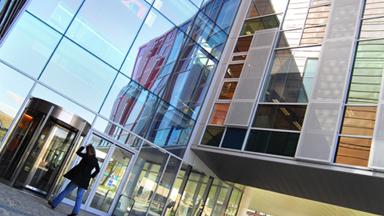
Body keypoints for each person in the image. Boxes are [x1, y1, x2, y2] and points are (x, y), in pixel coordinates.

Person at [48, 144, 100, 216]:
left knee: (67, 190)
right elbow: (98, 170)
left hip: (78, 178)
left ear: (88, 150)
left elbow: (78, 152)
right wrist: (91, 176)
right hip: (85, 180)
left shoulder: (86, 156)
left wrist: (84, 146)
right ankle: (75, 212)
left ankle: (54, 204)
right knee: (79, 197)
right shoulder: (95, 160)